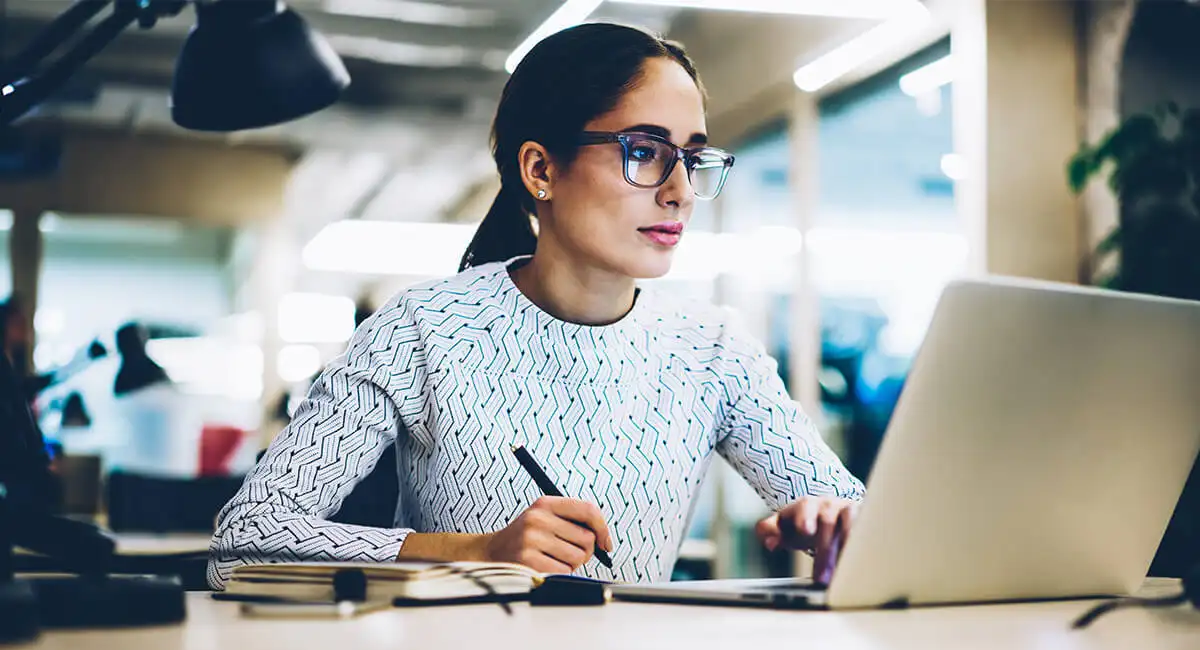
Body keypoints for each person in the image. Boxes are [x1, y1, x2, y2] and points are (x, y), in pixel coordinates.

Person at [208, 22, 865, 590]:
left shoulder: (713, 347)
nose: (680, 191)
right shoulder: (422, 329)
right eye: (644, 152)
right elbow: (243, 543)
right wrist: (474, 551)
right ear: (540, 170)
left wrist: (836, 524)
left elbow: (867, 523)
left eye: (691, 158)